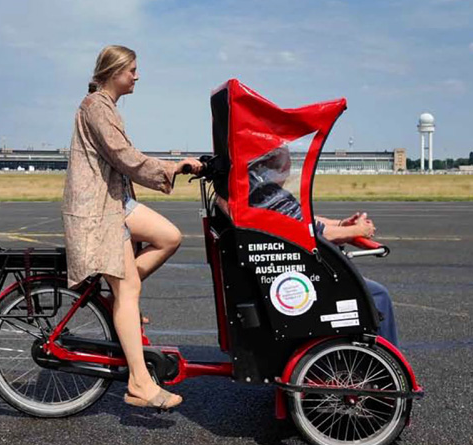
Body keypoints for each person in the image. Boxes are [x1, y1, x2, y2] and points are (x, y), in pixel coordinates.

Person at [62, 45, 201, 410]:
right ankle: (140, 383)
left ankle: (119, 299)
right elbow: (125, 157)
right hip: (101, 210)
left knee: (169, 237)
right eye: (133, 70)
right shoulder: (96, 108)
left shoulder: (105, 108)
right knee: (129, 292)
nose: (137, 77)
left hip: (117, 203)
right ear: (115, 71)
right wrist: (172, 168)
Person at [219, 146, 399, 345]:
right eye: (286, 161)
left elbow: (303, 220)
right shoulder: (264, 195)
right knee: (377, 294)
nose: (289, 166)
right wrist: (357, 232)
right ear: (271, 165)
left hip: (285, 269)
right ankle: (386, 356)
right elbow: (311, 233)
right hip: (296, 273)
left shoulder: (256, 189)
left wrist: (341, 225)